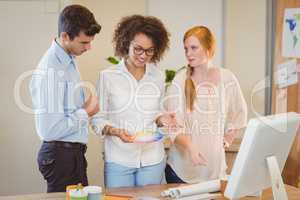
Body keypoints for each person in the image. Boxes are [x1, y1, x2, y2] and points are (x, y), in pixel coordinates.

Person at [91, 15, 178, 188]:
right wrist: (116, 131)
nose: (143, 55)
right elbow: (97, 119)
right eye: (138, 49)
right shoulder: (108, 76)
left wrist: (163, 119)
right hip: (119, 158)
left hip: (152, 158)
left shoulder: (158, 77)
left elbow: (157, 112)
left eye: (149, 50)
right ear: (125, 43)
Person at [29, 5, 101, 192]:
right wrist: (86, 112)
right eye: (84, 43)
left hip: (71, 154)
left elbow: (68, 111)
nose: (89, 47)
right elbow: (49, 130)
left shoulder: (68, 59)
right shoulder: (51, 70)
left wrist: (85, 107)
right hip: (61, 155)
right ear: (65, 37)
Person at [164, 26, 247, 184]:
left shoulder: (227, 78)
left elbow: (239, 114)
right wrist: (191, 148)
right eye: (186, 49)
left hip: (214, 172)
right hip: (182, 173)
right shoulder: (180, 80)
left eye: (194, 48)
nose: (188, 53)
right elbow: (173, 127)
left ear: (209, 48)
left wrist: (227, 139)